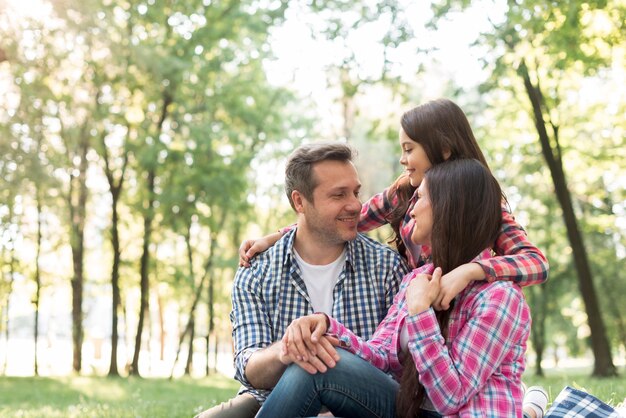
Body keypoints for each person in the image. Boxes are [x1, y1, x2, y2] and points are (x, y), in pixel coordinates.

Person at [256, 158, 532, 418]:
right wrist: (325, 327)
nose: (410, 208)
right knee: (319, 359)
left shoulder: (499, 297)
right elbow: (380, 356)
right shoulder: (418, 279)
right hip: (409, 409)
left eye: (420, 198)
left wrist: (420, 312)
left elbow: (452, 396)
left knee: (318, 367)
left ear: (448, 207)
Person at [239, 98, 548, 311]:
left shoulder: (483, 201)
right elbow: (345, 218)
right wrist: (277, 237)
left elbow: (535, 263)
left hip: (469, 313)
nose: (402, 159)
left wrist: (470, 271)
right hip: (417, 311)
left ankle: (529, 408)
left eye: (409, 149)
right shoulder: (402, 193)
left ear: (443, 149)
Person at [194, 142, 410, 418]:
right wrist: (288, 350)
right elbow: (249, 367)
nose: (356, 205)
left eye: (355, 192)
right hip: (276, 400)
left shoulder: (387, 267)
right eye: (338, 195)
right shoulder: (256, 271)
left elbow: (399, 369)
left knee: (320, 368)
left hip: (359, 405)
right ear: (300, 202)